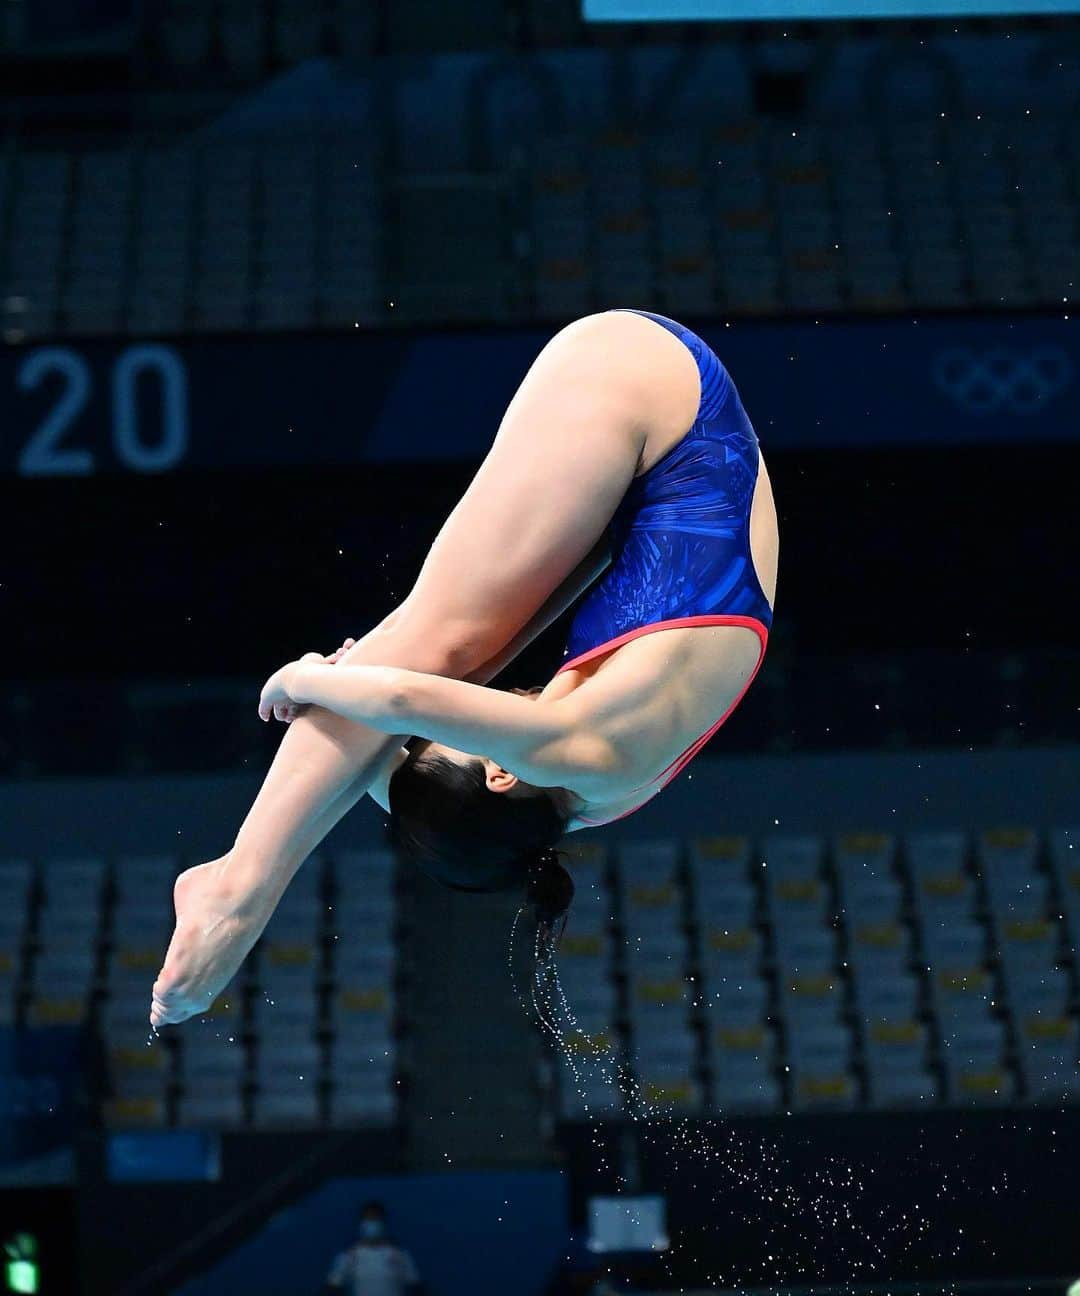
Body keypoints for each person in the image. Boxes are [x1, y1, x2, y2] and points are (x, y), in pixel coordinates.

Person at [150, 309, 778, 1028]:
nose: (464, 707)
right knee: (444, 645)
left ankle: (243, 880)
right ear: (501, 773)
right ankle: (237, 894)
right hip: (649, 387)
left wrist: (376, 681)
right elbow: (408, 693)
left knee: (461, 648)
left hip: (664, 458)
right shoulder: (580, 752)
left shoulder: (586, 794)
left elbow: (481, 666)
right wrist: (306, 681)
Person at [325, 1201, 421, 1296]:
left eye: (376, 1219)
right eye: (368, 1219)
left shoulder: (400, 1254)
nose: (372, 1223)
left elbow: (415, 1286)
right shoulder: (348, 1255)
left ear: (383, 1223)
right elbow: (333, 1287)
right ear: (361, 1223)